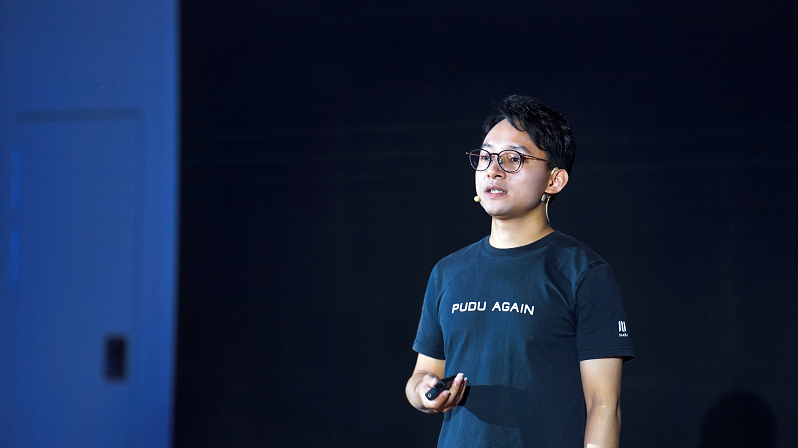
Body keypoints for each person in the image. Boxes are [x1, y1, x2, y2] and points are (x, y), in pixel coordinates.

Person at [405, 95, 634, 448]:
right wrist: (424, 392)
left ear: (554, 180)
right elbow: (423, 374)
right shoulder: (448, 271)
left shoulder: (583, 272)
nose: (493, 170)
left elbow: (604, 404)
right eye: (485, 157)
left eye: (513, 159)